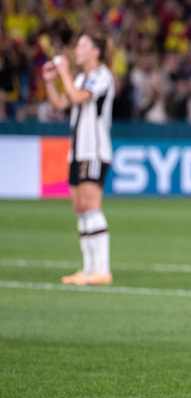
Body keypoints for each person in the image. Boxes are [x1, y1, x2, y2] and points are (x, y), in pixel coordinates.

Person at [42, 31, 115, 286]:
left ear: (96, 51)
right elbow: (61, 104)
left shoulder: (102, 76)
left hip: (94, 151)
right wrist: (50, 82)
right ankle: (88, 268)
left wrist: (63, 71)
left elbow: (75, 97)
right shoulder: (82, 77)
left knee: (92, 205)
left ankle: (102, 269)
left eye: (83, 45)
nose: (77, 50)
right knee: (80, 209)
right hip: (76, 151)